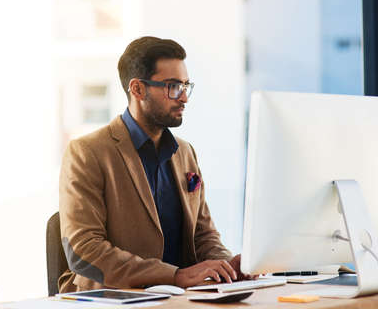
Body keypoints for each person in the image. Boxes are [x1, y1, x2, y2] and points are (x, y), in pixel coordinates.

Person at [58, 36, 248, 293]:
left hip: (182, 298)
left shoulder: (184, 152)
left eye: (185, 86)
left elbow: (203, 236)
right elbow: (84, 250)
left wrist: (227, 265)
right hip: (115, 297)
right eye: (172, 87)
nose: (184, 98)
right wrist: (176, 276)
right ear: (137, 89)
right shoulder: (87, 152)